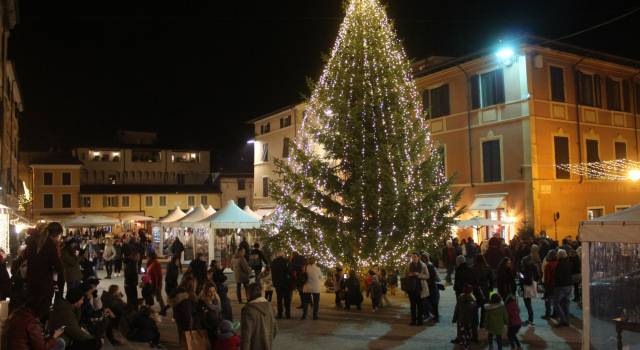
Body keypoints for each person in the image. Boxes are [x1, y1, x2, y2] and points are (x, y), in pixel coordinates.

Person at [24, 223, 64, 322]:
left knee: (32, 311)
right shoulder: (49, 244)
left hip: (31, 283)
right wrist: (57, 252)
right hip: (44, 285)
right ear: (56, 235)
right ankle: (38, 333)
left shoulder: (32, 242)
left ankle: (31, 331)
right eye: (59, 236)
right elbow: (58, 267)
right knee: (41, 314)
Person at [240, 282, 277, 350]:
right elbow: (275, 329)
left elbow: (246, 336)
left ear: (249, 294)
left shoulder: (248, 310)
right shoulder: (270, 307)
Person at [172, 276, 199, 343]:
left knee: (181, 333)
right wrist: (190, 323)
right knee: (187, 338)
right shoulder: (186, 296)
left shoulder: (178, 292)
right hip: (187, 321)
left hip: (179, 318)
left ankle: (182, 344)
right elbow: (187, 312)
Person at [405, 252, 429, 326]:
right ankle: (413, 320)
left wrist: (419, 275)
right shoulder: (409, 265)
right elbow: (405, 274)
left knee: (419, 305)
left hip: (420, 288)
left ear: (418, 257)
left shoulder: (423, 265)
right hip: (411, 288)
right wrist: (410, 275)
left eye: (415, 257)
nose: (414, 258)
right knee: (412, 305)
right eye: (412, 257)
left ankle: (420, 321)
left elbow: (427, 276)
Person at [553, 249, 573, 327]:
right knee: (566, 304)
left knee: (556, 303)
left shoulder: (559, 264)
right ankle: (567, 321)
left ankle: (562, 319)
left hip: (561, 286)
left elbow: (558, 276)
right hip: (569, 285)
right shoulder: (569, 263)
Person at [453, 285, 477, 350]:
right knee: (469, 333)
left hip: (461, 320)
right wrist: (476, 321)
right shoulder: (473, 301)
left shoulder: (460, 299)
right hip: (470, 320)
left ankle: (464, 344)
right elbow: (475, 313)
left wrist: (454, 318)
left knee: (462, 332)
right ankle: (468, 344)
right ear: (471, 291)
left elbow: (456, 309)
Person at [270, 251, 292, 319]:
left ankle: (280, 314)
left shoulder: (273, 262)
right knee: (287, 299)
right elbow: (289, 272)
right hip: (286, 283)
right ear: (283, 255)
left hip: (278, 284)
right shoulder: (286, 262)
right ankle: (288, 314)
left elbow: (272, 273)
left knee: (279, 299)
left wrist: (274, 282)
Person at [520, 252, 539, 326]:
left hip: (526, 285)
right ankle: (530, 319)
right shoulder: (534, 266)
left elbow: (522, 277)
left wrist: (521, 277)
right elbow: (537, 275)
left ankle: (531, 319)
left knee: (527, 303)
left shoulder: (524, 267)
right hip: (532, 284)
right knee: (529, 303)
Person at [473, 254, 492, 326]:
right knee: (484, 307)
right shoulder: (487, 267)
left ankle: (475, 322)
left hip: (476, 288)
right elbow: (491, 280)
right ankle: (482, 323)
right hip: (485, 289)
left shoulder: (473, 268)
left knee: (475, 306)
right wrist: (490, 288)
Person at [421, 253, 440, 322]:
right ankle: (432, 315)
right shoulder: (427, 265)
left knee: (431, 302)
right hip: (429, 286)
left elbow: (432, 276)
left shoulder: (429, 266)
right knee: (430, 302)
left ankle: (433, 316)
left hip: (430, 286)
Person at [542, 249, 559, 320]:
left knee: (548, 300)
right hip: (557, 284)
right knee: (556, 300)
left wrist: (545, 286)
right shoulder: (558, 263)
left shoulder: (548, 265)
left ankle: (547, 314)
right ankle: (555, 313)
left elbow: (547, 277)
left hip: (550, 285)